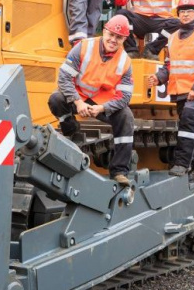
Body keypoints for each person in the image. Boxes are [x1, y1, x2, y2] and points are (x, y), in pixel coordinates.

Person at [48, 15, 135, 185]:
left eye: (118, 37)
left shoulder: (125, 62)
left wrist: (102, 108)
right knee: (56, 99)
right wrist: (77, 101)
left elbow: (125, 97)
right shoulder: (84, 47)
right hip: (78, 96)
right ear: (104, 31)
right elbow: (64, 77)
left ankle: (119, 170)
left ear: (124, 39)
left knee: (126, 117)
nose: (113, 40)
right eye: (111, 35)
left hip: (102, 102)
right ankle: (70, 127)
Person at [146, 0, 194, 181]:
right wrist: (158, 78)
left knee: (188, 119)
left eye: (189, 11)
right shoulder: (172, 38)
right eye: (182, 11)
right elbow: (169, 66)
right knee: (191, 128)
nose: (185, 14)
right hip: (179, 90)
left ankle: (182, 163)